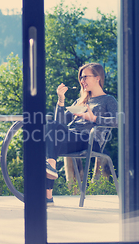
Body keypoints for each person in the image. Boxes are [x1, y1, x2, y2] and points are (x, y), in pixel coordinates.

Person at [45, 63, 118, 204]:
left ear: (97, 78)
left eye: (85, 77)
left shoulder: (108, 100)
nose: (82, 81)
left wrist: (94, 118)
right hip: (73, 137)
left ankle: (48, 188)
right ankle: (49, 184)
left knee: (49, 150)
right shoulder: (81, 101)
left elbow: (119, 121)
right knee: (48, 131)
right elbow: (59, 122)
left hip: (91, 140)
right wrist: (61, 100)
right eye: (81, 78)